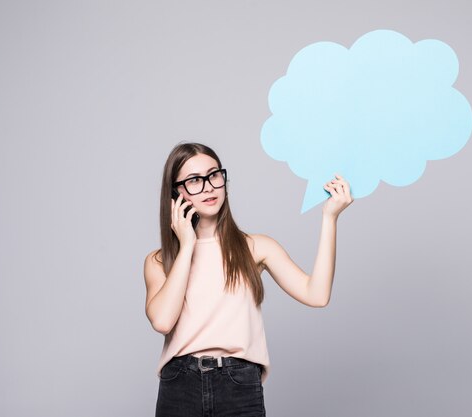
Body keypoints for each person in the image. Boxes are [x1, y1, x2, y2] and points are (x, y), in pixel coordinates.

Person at [143, 142, 353, 416]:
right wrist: (186, 247)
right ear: (176, 193)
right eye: (194, 180)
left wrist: (330, 218)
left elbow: (317, 294)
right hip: (180, 386)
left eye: (214, 175)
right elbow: (162, 321)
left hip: (238, 384)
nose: (208, 186)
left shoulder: (256, 247)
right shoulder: (158, 261)